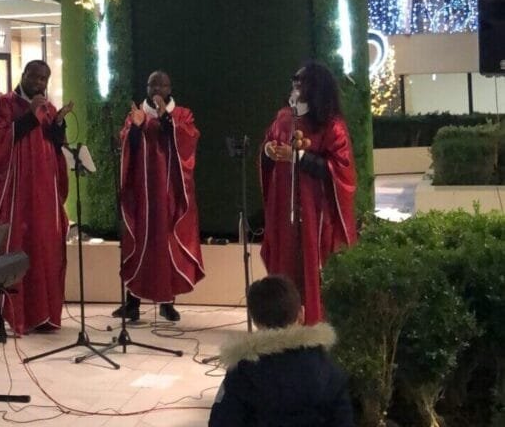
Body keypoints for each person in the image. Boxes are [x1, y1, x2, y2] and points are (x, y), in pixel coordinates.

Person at [260, 61, 357, 325]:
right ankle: (282, 321)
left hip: (316, 213)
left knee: (312, 267)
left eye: (301, 81)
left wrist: (299, 156)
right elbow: (270, 145)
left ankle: (314, 322)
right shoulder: (283, 118)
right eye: (294, 80)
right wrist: (268, 151)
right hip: (284, 208)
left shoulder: (331, 125)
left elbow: (340, 170)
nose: (295, 85)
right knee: (285, 263)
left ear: (315, 87)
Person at [0, 60, 72, 337]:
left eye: (44, 79)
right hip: (16, 194)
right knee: (10, 249)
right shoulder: (3, 105)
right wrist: (31, 114)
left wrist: (59, 124)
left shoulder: (49, 108)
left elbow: (55, 146)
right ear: (24, 75)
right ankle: (0, 316)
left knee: (44, 249)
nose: (39, 83)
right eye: (35, 77)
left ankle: (41, 314)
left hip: (44, 194)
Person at [114, 70, 204, 323]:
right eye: (152, 84)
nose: (157, 89)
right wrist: (136, 128)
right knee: (138, 242)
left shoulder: (181, 114)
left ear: (170, 87)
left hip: (169, 193)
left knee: (167, 245)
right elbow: (126, 145)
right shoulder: (137, 115)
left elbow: (187, 140)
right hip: (141, 194)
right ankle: (132, 303)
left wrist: (166, 119)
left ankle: (167, 302)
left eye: (162, 85)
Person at [209, 275, 354, 427]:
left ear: (255, 321)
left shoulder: (241, 373)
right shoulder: (327, 367)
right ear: (301, 314)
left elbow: (221, 421)